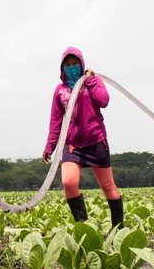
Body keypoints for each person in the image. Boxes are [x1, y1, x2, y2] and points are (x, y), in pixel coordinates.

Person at [42, 47, 123, 229]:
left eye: (75, 63)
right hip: (72, 144)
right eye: (67, 65)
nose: (71, 67)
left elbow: (104, 101)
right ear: (62, 68)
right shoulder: (60, 90)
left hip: (95, 141)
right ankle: (84, 228)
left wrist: (90, 80)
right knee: (68, 183)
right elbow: (56, 120)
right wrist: (50, 146)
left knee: (108, 186)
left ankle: (118, 229)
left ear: (82, 64)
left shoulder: (93, 81)